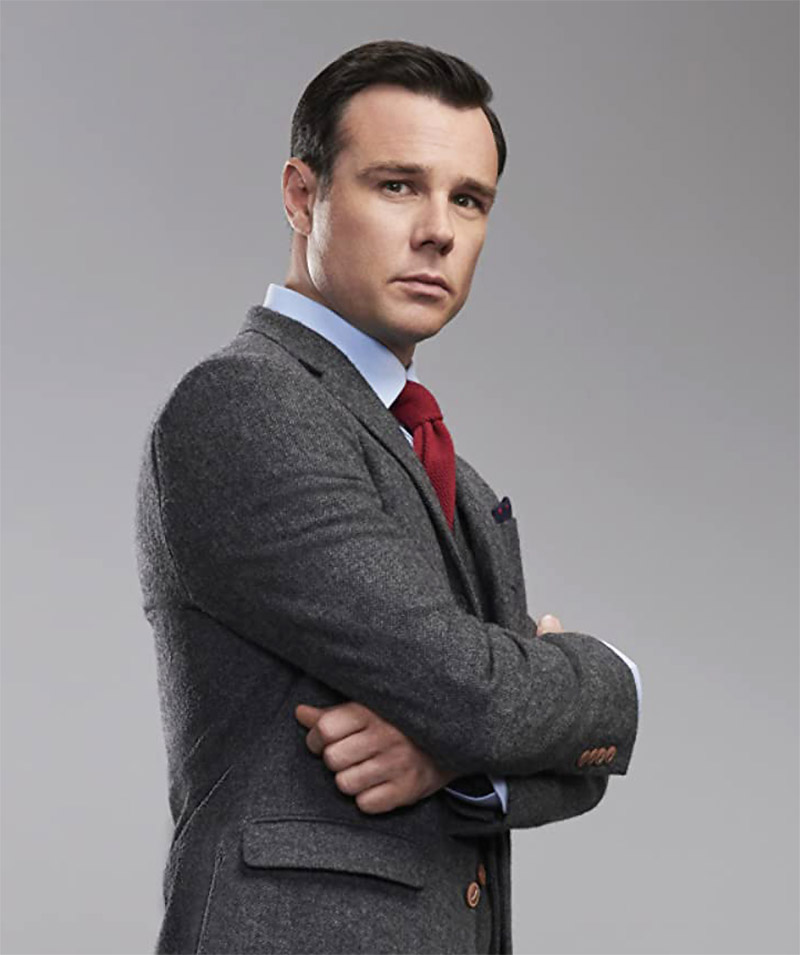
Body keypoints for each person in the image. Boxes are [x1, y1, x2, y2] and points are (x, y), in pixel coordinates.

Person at [134, 38, 641, 955]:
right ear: (303, 195)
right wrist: (607, 675)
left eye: (469, 199)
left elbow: (503, 725)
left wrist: (454, 757)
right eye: (398, 185)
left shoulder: (457, 476)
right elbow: (481, 697)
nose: (439, 229)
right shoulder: (244, 404)